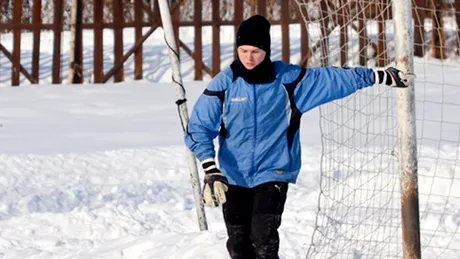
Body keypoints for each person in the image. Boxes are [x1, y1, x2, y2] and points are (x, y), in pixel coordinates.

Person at [185, 15, 411, 259]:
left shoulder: (290, 80)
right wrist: (211, 168)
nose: (249, 58)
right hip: (233, 173)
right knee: (239, 246)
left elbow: (334, 79)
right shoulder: (225, 83)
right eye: (244, 50)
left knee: (263, 239)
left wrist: (378, 76)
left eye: (256, 51)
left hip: (274, 170)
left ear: (267, 51)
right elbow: (199, 127)